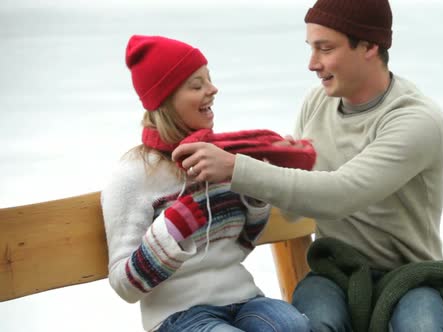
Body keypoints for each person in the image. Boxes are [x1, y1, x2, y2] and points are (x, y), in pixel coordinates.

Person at [172, 0, 443, 330]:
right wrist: (284, 161)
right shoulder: (317, 102)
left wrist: (237, 168)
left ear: (370, 46)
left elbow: (341, 194)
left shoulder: (416, 120)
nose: (312, 64)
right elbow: (294, 212)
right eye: (311, 48)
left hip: (411, 278)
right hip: (335, 273)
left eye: (325, 48)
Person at [101, 35, 312, 332]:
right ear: (166, 100)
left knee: (294, 327)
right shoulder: (133, 176)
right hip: (177, 314)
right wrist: (170, 230)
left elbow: (243, 242)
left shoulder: (218, 155)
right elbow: (125, 286)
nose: (213, 90)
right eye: (197, 85)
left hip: (242, 298)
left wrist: (257, 188)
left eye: (209, 81)